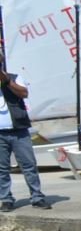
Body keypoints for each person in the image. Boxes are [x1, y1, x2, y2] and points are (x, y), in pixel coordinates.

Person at [0, 56, 50, 212]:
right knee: (2, 169)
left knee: (29, 165)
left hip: (19, 130)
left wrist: (6, 81)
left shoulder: (14, 78)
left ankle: (37, 197)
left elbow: (24, 93)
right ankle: (6, 199)